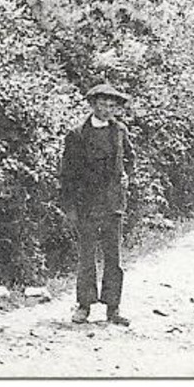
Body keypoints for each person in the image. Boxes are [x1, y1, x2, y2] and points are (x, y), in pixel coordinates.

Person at [59, 83, 136, 326]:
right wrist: (69, 205)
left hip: (112, 202)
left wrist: (126, 176)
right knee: (86, 255)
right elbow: (67, 172)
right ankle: (84, 305)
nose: (107, 109)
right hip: (86, 202)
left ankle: (113, 307)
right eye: (102, 104)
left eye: (112, 106)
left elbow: (130, 158)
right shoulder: (77, 134)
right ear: (93, 104)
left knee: (113, 256)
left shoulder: (120, 131)